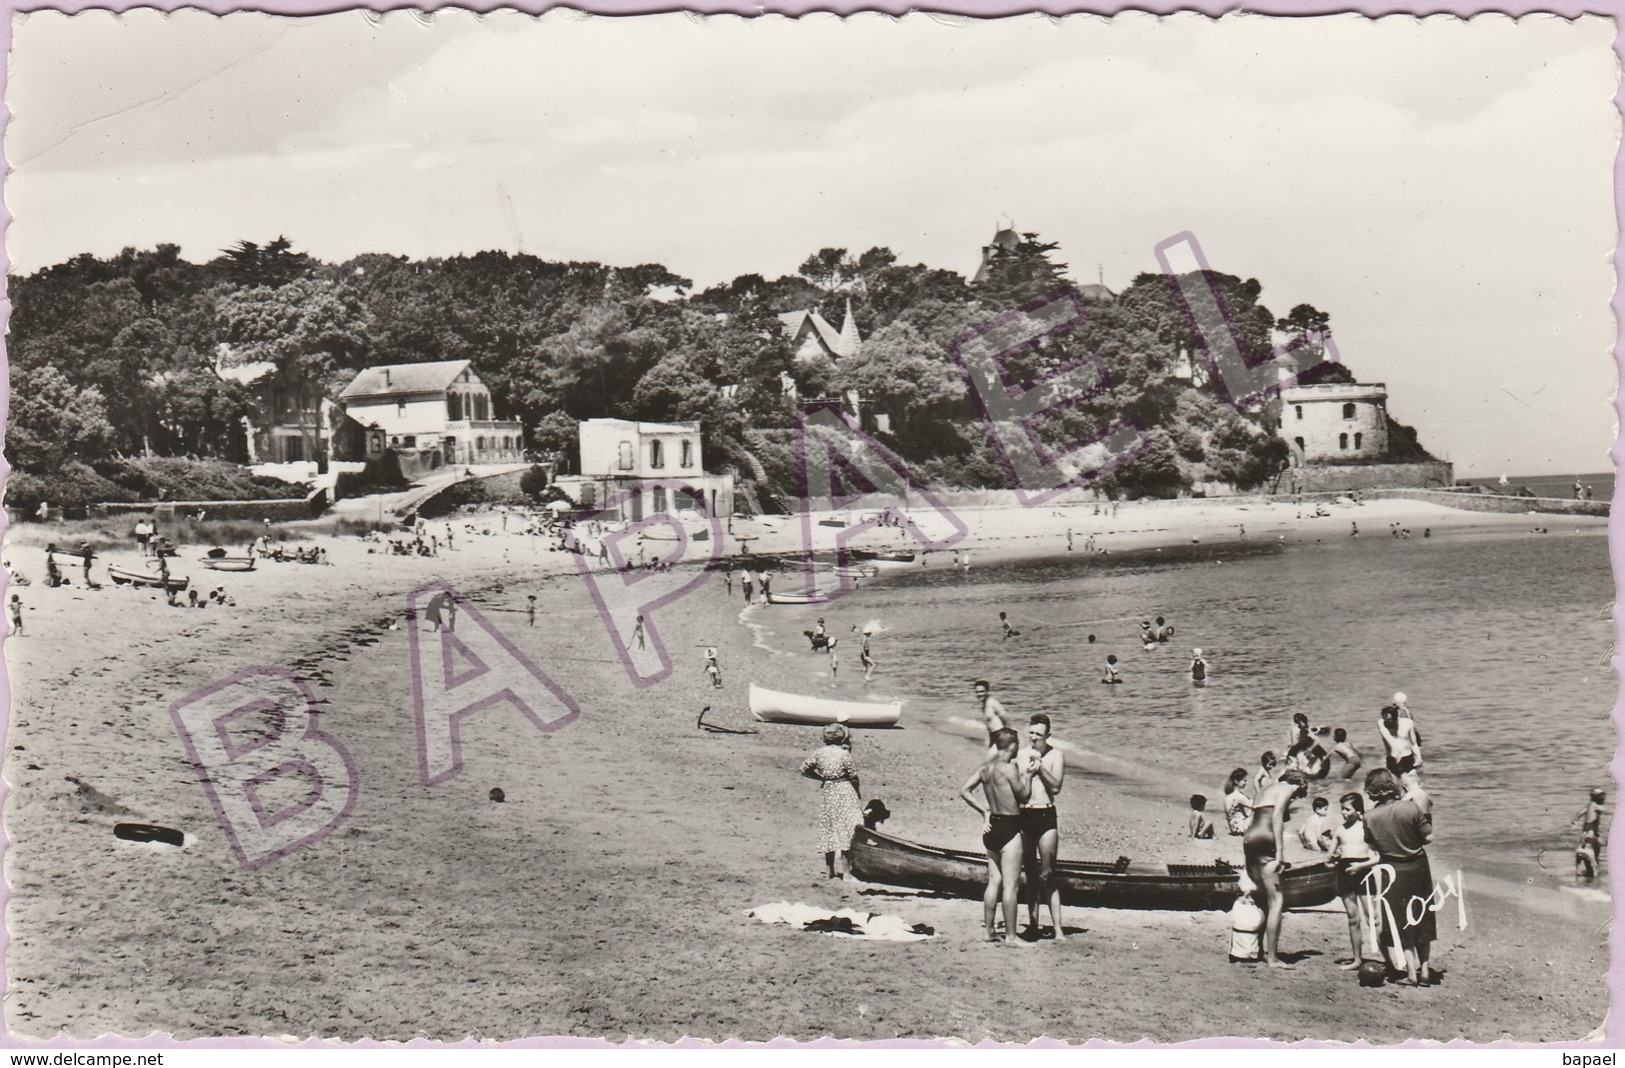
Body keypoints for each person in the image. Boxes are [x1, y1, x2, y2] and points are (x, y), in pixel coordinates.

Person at [1353, 768, 1437, 986]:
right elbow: (1428, 838)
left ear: (1373, 792)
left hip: (1391, 870)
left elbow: (1372, 846)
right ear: (1391, 786)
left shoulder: (1369, 817)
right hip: (1418, 865)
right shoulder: (1410, 808)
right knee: (1422, 917)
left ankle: (1410, 973)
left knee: (1402, 921)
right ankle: (1425, 971)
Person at [959, 726, 1034, 945]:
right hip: (1010, 826)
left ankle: (989, 932)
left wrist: (984, 811)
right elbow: (1025, 797)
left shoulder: (985, 768)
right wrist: (1028, 775)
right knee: (1011, 885)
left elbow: (964, 790)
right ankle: (1011, 936)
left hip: (992, 828)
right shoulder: (1008, 769)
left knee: (994, 882)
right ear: (1012, 745)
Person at [1243, 767, 1310, 969]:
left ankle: (1261, 951)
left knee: (1264, 898)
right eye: (1298, 794)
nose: (1295, 798)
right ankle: (1272, 958)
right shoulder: (1287, 789)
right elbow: (1277, 817)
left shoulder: (1266, 788)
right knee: (1276, 902)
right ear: (1297, 784)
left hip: (1250, 838)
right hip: (1266, 838)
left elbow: (1255, 816)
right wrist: (1280, 853)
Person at [1018, 714, 1066, 940]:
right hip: (1026, 814)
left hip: (1046, 814)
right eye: (1031, 733)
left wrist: (1040, 769)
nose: (1034, 738)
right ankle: (1033, 924)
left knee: (1048, 875)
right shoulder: (1021, 755)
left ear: (1048, 735)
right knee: (1030, 873)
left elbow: (1056, 787)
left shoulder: (1057, 755)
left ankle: (1057, 929)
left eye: (1038, 734)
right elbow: (1020, 790)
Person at [1329, 792, 1374, 970]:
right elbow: (1328, 858)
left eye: (1347, 809)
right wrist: (1332, 858)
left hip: (1364, 870)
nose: (1344, 813)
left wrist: (1361, 867)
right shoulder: (1340, 830)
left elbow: (1379, 857)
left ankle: (1391, 959)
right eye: (1342, 809)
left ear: (1358, 810)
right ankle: (1357, 959)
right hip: (1345, 871)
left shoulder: (1367, 828)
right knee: (1353, 917)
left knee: (1373, 917)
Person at [1378, 705, 1420, 778]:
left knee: (1411, 781)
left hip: (1407, 757)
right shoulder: (1381, 724)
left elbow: (1414, 743)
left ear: (1396, 718)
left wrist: (1419, 757)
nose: (1388, 723)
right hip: (1392, 758)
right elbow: (1390, 741)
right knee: (1395, 782)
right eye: (1385, 720)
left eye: (1390, 720)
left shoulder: (1408, 723)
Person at [1573, 788, 1607, 879]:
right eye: (1601, 797)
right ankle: (1594, 873)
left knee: (1594, 847)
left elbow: (1581, 812)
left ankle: (1587, 870)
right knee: (1595, 852)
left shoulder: (1589, 805)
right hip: (1591, 833)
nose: (1603, 798)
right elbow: (1605, 810)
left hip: (1585, 833)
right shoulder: (1595, 806)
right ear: (1596, 798)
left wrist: (1575, 820)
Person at [972, 680, 1008, 745]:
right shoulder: (984, 705)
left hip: (1001, 735)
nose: (979, 694)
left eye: (982, 691)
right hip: (993, 735)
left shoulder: (993, 703)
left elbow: (1005, 719)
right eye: (977, 692)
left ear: (987, 691)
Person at [1222, 768, 1253, 836]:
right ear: (1236, 781)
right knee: (1258, 810)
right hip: (1241, 828)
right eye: (1244, 780)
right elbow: (1255, 805)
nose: (1246, 783)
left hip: (1234, 829)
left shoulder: (1228, 796)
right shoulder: (1238, 796)